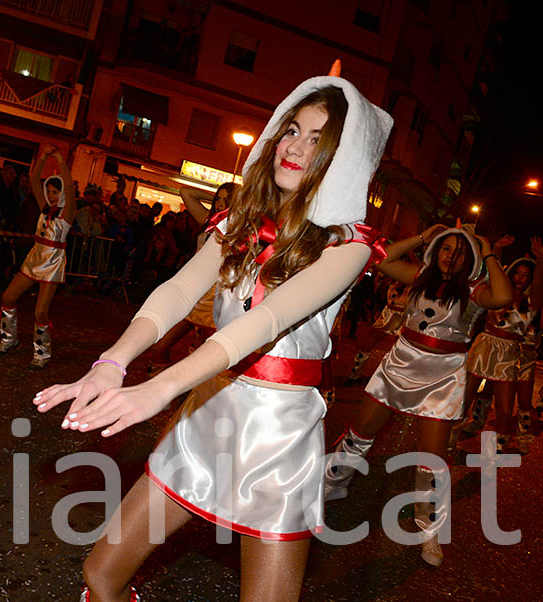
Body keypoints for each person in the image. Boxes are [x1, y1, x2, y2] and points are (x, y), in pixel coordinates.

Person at [35, 74, 391, 601]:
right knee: (100, 575)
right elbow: (179, 290)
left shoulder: (350, 246)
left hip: (278, 438)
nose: (294, 146)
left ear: (343, 160)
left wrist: (161, 387)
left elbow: (264, 323)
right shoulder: (241, 221)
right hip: (206, 414)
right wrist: (112, 362)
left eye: (318, 138)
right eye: (292, 129)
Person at [324, 225, 512, 567]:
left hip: (443, 376)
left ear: (468, 260)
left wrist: (487, 251)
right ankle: (333, 483)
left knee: (432, 458)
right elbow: (380, 260)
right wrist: (424, 237)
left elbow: (502, 298)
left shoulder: (475, 291)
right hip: (400, 364)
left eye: (458, 252)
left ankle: (430, 528)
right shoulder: (420, 276)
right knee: (359, 433)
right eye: (445, 248)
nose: (450, 257)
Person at [0, 144, 76, 368]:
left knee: (41, 310)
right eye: (49, 192)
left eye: (55, 192)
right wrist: (42, 158)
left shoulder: (67, 215)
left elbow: (69, 186)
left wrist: (60, 158)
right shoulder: (43, 209)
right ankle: (8, 339)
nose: (50, 196)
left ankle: (42, 353)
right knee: (8, 297)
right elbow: (33, 181)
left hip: (52, 264)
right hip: (34, 260)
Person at [460, 241, 543, 453]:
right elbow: (492, 273)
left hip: (510, 353)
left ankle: (500, 445)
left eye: (526, 275)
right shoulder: (498, 292)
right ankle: (453, 434)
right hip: (484, 345)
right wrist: (494, 250)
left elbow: (539, 284)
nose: (520, 279)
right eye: (518, 273)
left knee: (506, 408)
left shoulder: (532, 301)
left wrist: (541, 260)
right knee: (465, 397)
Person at [146, 183, 237, 376]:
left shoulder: (241, 230)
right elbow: (185, 192)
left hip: (216, 301)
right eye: (218, 200)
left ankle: (187, 400)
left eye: (226, 200)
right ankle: (164, 394)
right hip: (193, 293)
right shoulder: (209, 220)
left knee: (201, 362)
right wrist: (217, 196)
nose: (220, 204)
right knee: (159, 347)